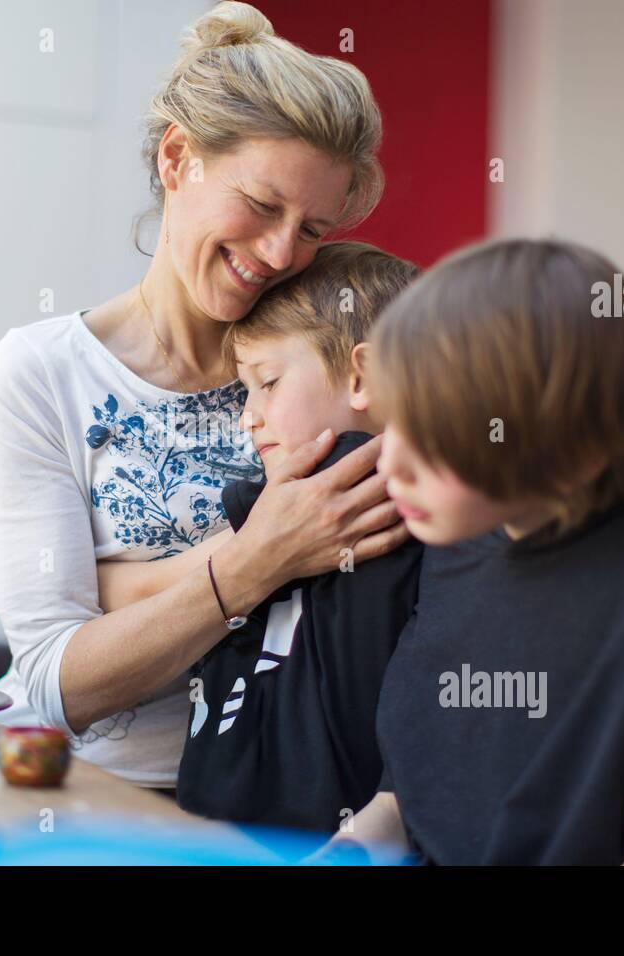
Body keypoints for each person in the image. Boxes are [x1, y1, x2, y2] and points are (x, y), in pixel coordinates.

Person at [0, 2, 624, 792]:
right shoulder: (39, 377)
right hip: (93, 796)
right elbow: (49, 683)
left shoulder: (333, 354)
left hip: (316, 810)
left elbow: (520, 477)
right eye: (260, 205)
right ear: (177, 158)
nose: (281, 251)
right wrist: (259, 560)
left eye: (314, 227)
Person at [335, 239, 624, 865]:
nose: (391, 464)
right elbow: (405, 804)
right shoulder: (450, 539)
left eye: (437, 437)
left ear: (571, 445)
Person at [177, 242, 422, 833]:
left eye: (268, 383)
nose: (247, 416)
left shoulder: (407, 522)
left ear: (362, 375)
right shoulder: (258, 508)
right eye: (245, 390)